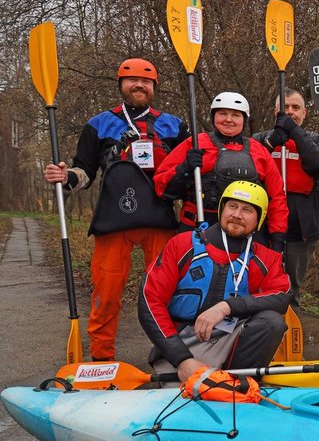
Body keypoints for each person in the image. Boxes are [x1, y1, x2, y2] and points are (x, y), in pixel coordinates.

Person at [43, 58, 189, 361]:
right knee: (106, 294)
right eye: (132, 79)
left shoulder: (174, 125)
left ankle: (171, 356)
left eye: (146, 81)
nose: (139, 85)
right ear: (121, 84)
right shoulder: (99, 124)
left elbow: (188, 171)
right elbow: (84, 171)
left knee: (164, 293)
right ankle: (101, 358)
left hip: (159, 221)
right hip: (113, 220)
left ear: (154, 87)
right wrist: (66, 177)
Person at [139, 181, 290, 383]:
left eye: (247, 210)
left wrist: (226, 306)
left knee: (271, 322)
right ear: (222, 209)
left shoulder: (266, 258)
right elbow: (150, 301)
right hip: (185, 343)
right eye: (232, 206)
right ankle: (187, 372)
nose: (237, 214)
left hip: (232, 341)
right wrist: (182, 360)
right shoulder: (182, 244)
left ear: (259, 219)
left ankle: (236, 385)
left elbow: (281, 296)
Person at [154, 91, 289, 250]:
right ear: (213, 117)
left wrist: (277, 236)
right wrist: (184, 168)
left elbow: (277, 197)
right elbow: (161, 187)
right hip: (199, 226)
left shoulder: (259, 151)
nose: (228, 119)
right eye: (222, 114)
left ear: (244, 120)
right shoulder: (196, 143)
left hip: (245, 230)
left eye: (235, 115)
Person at [252, 89, 319, 307]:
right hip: (265, 221)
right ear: (276, 111)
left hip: (301, 224)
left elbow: (317, 165)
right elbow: (250, 166)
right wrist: (273, 141)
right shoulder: (259, 139)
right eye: (285, 108)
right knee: (263, 274)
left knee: (293, 280)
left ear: (304, 112)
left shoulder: (315, 140)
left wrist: (294, 131)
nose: (290, 112)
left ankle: (292, 320)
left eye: (295, 108)